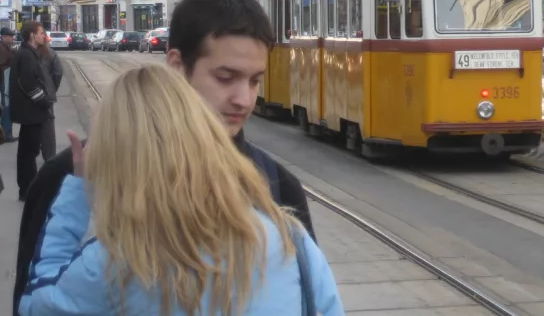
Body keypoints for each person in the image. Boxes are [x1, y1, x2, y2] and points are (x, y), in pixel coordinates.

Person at [13, 0, 316, 314]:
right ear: (176, 65)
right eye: (225, 77)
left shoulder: (277, 187)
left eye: (255, 81)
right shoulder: (69, 178)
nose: (244, 99)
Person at [18, 65, 344, 316]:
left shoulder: (116, 262)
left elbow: (36, 302)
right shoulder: (291, 240)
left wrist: (79, 188)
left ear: (114, 157)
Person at [9, 22, 53, 202]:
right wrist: (43, 101)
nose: (44, 36)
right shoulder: (26, 55)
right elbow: (28, 82)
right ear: (32, 36)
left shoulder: (27, 53)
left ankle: (26, 189)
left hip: (29, 111)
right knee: (29, 152)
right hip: (31, 112)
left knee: (27, 151)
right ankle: (27, 190)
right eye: (41, 33)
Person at [36, 32, 62, 160]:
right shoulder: (51, 53)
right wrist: (53, 88)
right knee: (48, 127)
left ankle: (32, 152)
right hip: (47, 94)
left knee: (31, 125)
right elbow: (58, 73)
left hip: (30, 95)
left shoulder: (27, 53)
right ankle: (50, 156)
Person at [0, 27, 16, 144]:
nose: (12, 38)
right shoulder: (2, 49)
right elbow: (2, 66)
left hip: (5, 81)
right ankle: (6, 134)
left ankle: (6, 133)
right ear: (3, 37)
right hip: (4, 82)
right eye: (10, 36)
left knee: (7, 107)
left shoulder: (7, 48)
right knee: (7, 108)